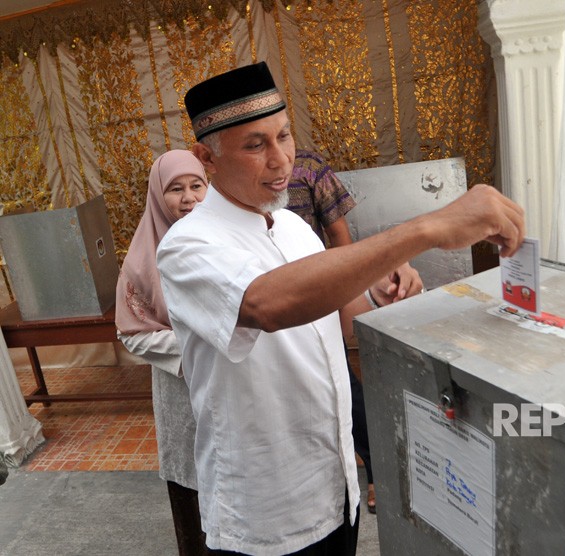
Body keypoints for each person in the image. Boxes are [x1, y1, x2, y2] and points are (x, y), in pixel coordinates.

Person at [156, 61, 525, 555]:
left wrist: (376, 293)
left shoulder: (291, 226)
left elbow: (334, 317)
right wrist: (427, 228)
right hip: (267, 507)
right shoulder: (187, 246)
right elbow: (268, 304)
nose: (281, 160)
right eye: (255, 144)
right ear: (208, 157)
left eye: (284, 136)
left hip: (334, 486)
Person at [114, 150, 209, 555]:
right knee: (194, 487)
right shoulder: (141, 260)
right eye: (176, 188)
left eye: (197, 185)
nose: (189, 198)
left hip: (237, 385)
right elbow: (131, 332)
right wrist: (196, 349)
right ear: (158, 195)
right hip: (182, 391)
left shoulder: (227, 240)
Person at [285, 150, 378, 514]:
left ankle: (376, 471)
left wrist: (344, 296)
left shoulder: (308, 167)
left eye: (280, 134)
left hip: (316, 299)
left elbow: (340, 239)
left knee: (344, 388)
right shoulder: (229, 178)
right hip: (265, 312)